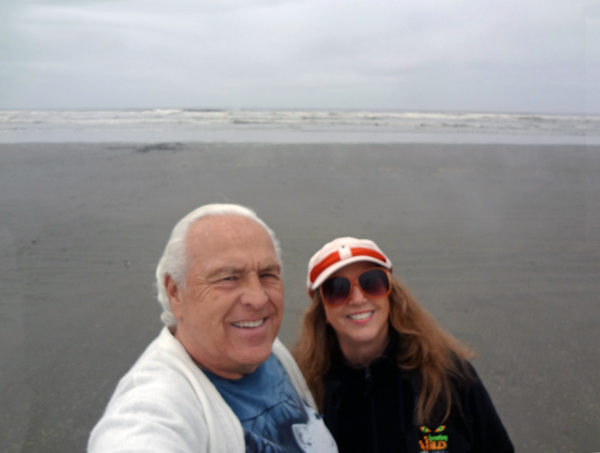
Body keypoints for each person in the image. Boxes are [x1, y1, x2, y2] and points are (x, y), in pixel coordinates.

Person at [88, 204, 337, 453]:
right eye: (228, 278)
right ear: (175, 293)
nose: (259, 298)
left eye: (267, 274)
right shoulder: (156, 405)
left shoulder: (259, 347)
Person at [293, 237, 514, 453]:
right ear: (321, 309)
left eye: (371, 282)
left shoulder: (450, 377)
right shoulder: (303, 392)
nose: (358, 298)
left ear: (390, 293)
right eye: (337, 289)